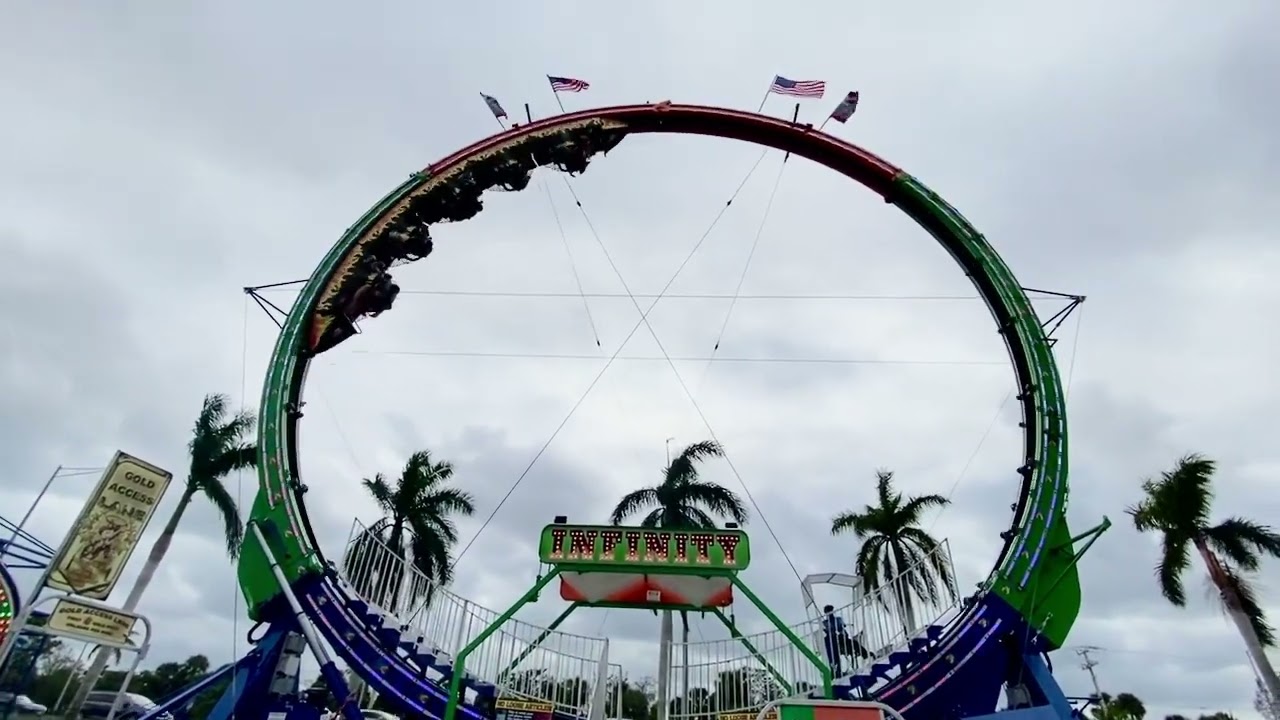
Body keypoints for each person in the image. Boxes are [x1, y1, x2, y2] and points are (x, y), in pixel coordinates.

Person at [821, 604, 848, 676]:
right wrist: (827, 629)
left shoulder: (838, 619)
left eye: (830, 611)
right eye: (827, 612)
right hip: (831, 641)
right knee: (828, 641)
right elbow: (824, 632)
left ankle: (837, 669)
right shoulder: (825, 622)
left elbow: (842, 628)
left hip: (840, 639)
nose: (829, 613)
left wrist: (838, 631)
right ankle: (833, 669)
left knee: (834, 643)